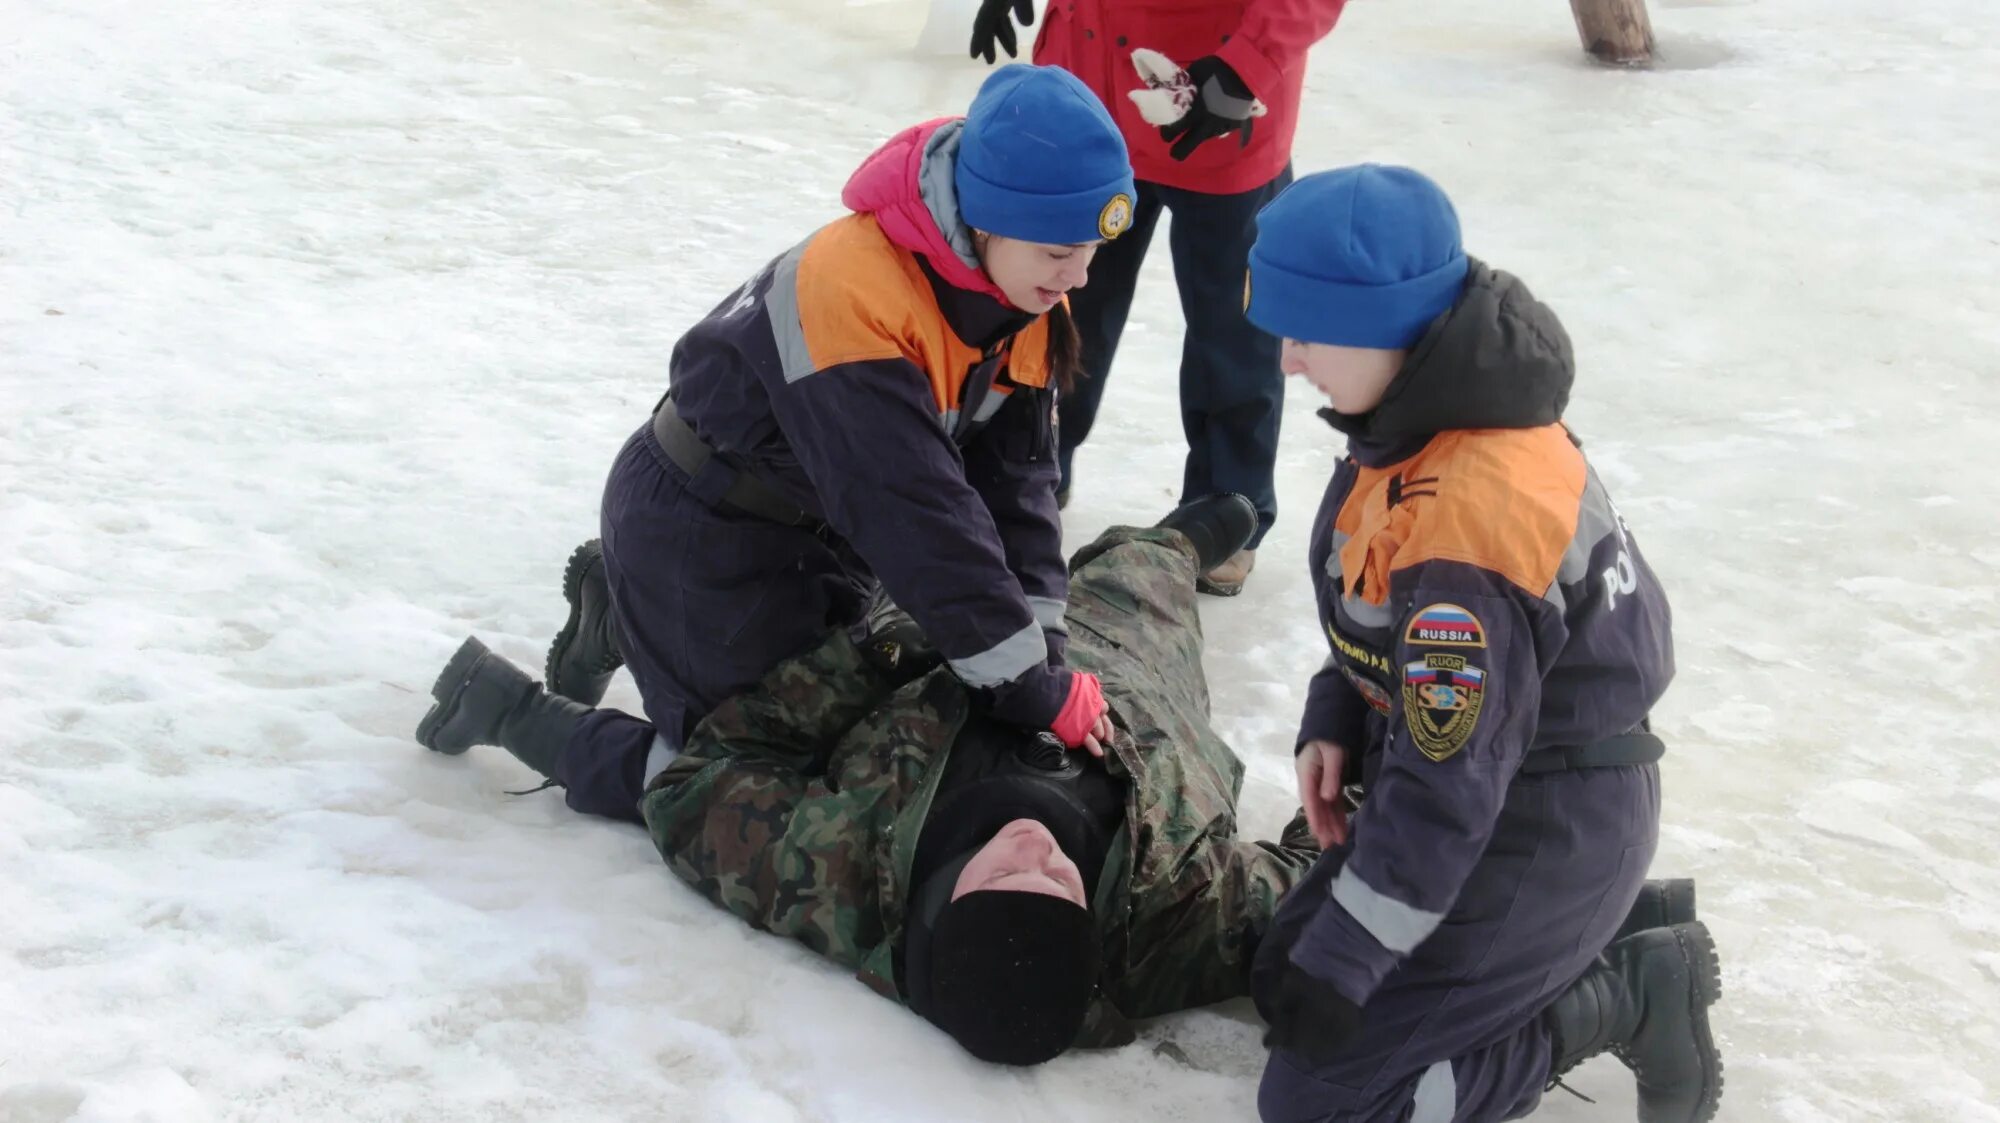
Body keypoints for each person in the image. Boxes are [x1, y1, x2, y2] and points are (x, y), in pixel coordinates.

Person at [415, 497, 1693, 1066]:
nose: (1036, 851)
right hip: (1127, 674)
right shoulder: (1177, 928)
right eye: (1056, 884)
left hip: (942, 661)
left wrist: (901, 645)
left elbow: (687, 787)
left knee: (685, 739)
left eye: (1001, 874)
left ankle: (595, 628)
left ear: (930, 905)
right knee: (1150, 561)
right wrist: (1555, 913)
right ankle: (1193, 530)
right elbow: (1319, 884)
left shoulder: (829, 866)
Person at [468, 64, 1145, 825]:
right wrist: (1030, 689)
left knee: (864, 733)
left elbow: (1017, 494)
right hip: (706, 530)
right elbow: (919, 516)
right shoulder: (851, 295)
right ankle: (512, 708)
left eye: (1091, 250)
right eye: (1060, 252)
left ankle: (626, 609)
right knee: (740, 784)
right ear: (985, 220)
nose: (1079, 277)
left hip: (823, 534)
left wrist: (1043, 662)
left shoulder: (1021, 294)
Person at [1241, 166, 1723, 1123]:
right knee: (1284, 976)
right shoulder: (1428, 410)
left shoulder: (1471, 512)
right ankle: (1584, 935)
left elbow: (1445, 783)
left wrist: (1351, 963)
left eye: (1303, 334)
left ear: (1384, 322)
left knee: (1324, 1100)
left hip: (1542, 818)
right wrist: (1339, 708)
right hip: (1504, 785)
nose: (1288, 362)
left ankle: (1623, 989)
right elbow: (1381, 598)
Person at [970, 0, 1351, 594]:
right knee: (1057, 299)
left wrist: (1246, 64)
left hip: (1214, 104)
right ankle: (1030, 460)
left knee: (1233, 329)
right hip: (1088, 94)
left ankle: (1229, 504)